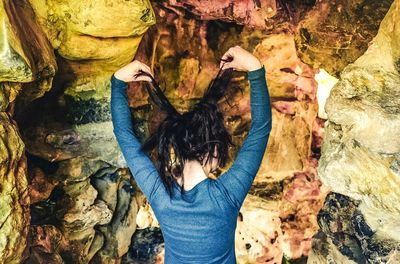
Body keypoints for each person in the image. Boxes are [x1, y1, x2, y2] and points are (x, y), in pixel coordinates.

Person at [110, 46, 272, 264]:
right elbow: (260, 128)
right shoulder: (226, 196)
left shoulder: (161, 195)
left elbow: (124, 135)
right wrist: (254, 67)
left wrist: (118, 82)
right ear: (213, 148)